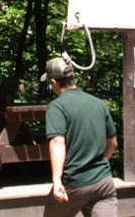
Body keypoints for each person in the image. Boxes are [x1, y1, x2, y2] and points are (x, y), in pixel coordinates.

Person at [43, 56, 119, 217]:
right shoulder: (98, 103)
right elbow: (113, 143)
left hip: (74, 183)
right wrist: (102, 162)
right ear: (73, 76)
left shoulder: (57, 106)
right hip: (103, 183)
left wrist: (57, 181)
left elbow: (57, 141)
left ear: (54, 82)